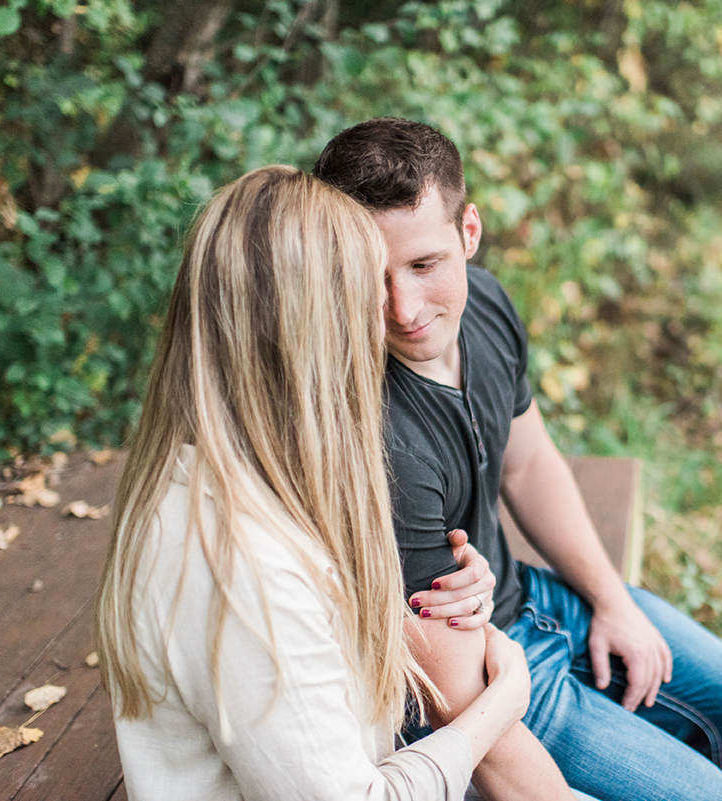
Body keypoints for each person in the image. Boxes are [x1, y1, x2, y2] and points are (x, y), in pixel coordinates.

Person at [314, 119, 722, 801]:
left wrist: (611, 600)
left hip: (528, 600)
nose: (403, 308)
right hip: (482, 676)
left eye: (423, 265)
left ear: (469, 232)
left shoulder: (488, 307)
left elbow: (528, 465)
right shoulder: (375, 430)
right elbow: (450, 692)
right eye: (370, 275)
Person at [93, 165, 560, 801]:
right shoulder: (235, 568)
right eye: (368, 289)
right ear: (315, 326)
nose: (396, 313)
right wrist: (502, 701)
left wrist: (450, 599)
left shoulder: (267, 472)